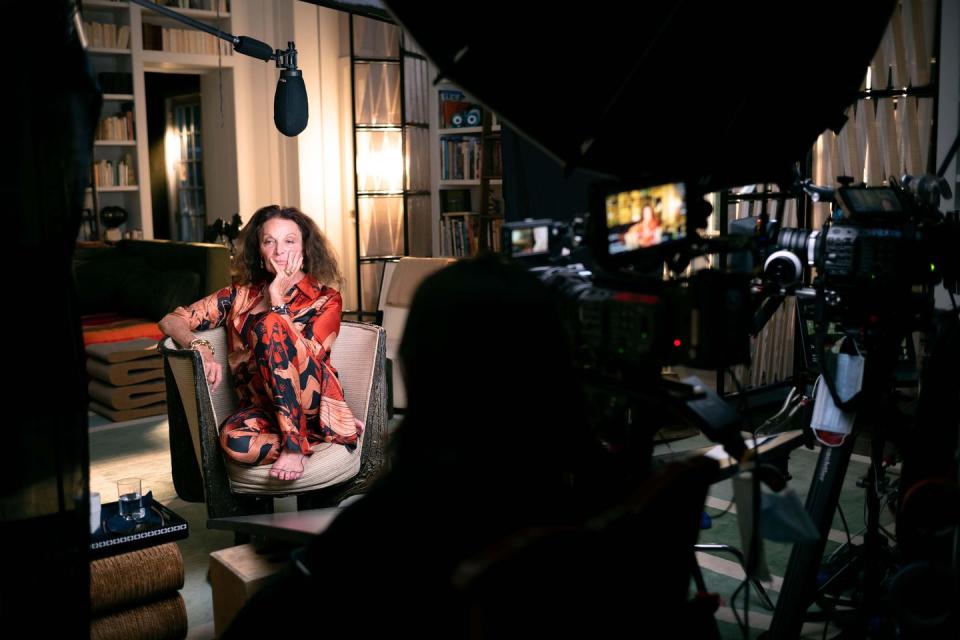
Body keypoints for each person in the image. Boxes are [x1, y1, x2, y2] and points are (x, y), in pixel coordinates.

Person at [158, 205, 361, 482]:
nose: (279, 251)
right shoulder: (239, 296)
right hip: (262, 408)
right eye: (269, 241)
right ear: (259, 251)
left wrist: (277, 300)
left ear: (305, 249)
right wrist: (200, 346)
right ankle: (316, 435)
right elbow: (172, 320)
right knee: (233, 442)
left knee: (269, 325)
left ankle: (294, 445)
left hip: (309, 402)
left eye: (289, 241)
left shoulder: (326, 299)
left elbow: (311, 356)